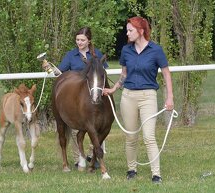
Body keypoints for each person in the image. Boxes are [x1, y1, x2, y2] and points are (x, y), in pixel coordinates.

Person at [103, 16, 174, 183]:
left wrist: (170, 97)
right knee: (131, 136)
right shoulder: (126, 50)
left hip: (148, 97)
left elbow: (166, 73)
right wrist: (113, 89)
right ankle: (131, 169)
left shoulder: (156, 50)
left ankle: (156, 174)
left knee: (149, 137)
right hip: (128, 97)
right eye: (127, 30)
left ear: (141, 31)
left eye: (130, 30)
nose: (127, 33)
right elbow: (124, 74)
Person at [58, 27, 108, 168]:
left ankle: (93, 155)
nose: (79, 42)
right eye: (77, 40)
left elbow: (102, 73)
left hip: (93, 94)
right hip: (76, 95)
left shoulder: (96, 54)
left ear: (89, 41)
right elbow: (60, 72)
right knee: (76, 128)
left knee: (97, 125)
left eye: (82, 40)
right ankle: (78, 157)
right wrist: (49, 68)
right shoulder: (70, 55)